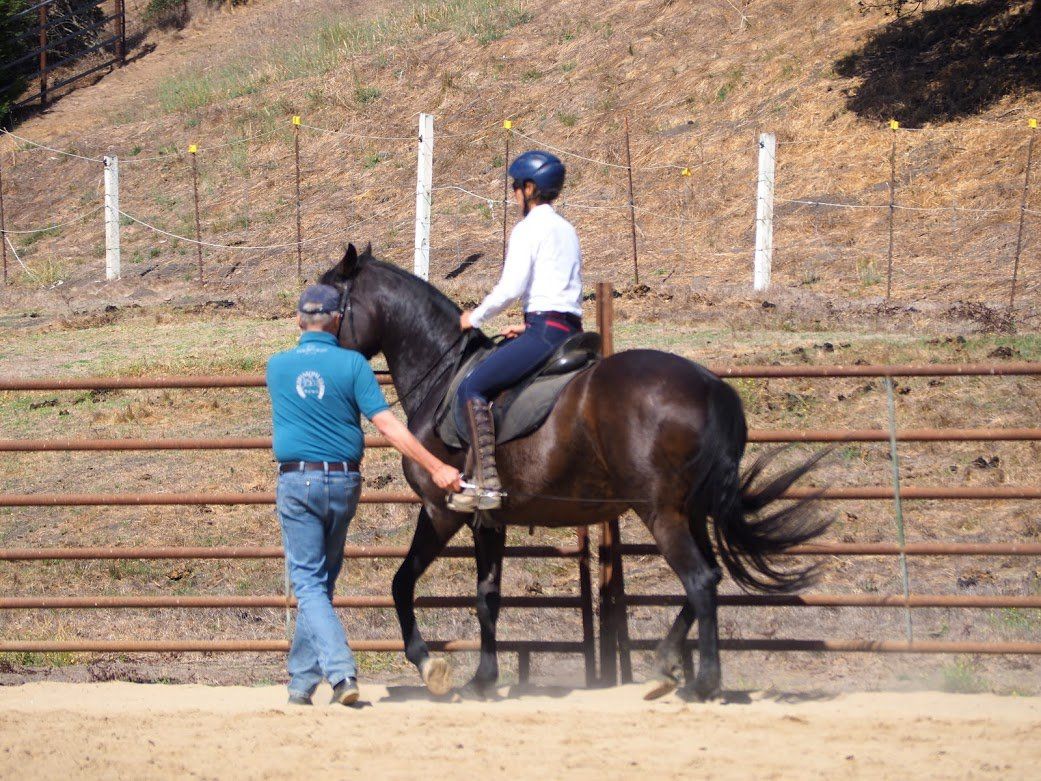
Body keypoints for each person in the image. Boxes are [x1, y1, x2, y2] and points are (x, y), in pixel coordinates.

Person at [267, 283, 461, 706]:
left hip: (298, 483)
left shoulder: (277, 367)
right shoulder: (354, 365)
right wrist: (438, 466)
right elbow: (390, 427)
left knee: (309, 583)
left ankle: (341, 675)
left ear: (299, 320)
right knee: (320, 583)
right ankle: (300, 684)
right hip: (344, 484)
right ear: (337, 320)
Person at [450, 150, 582, 513]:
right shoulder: (567, 229)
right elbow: (563, 288)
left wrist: (474, 317)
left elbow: (511, 288)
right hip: (571, 330)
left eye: (515, 187)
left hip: (546, 332)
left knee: (473, 386)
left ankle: (486, 484)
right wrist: (527, 326)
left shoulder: (527, 229)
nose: (512, 194)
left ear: (530, 188)